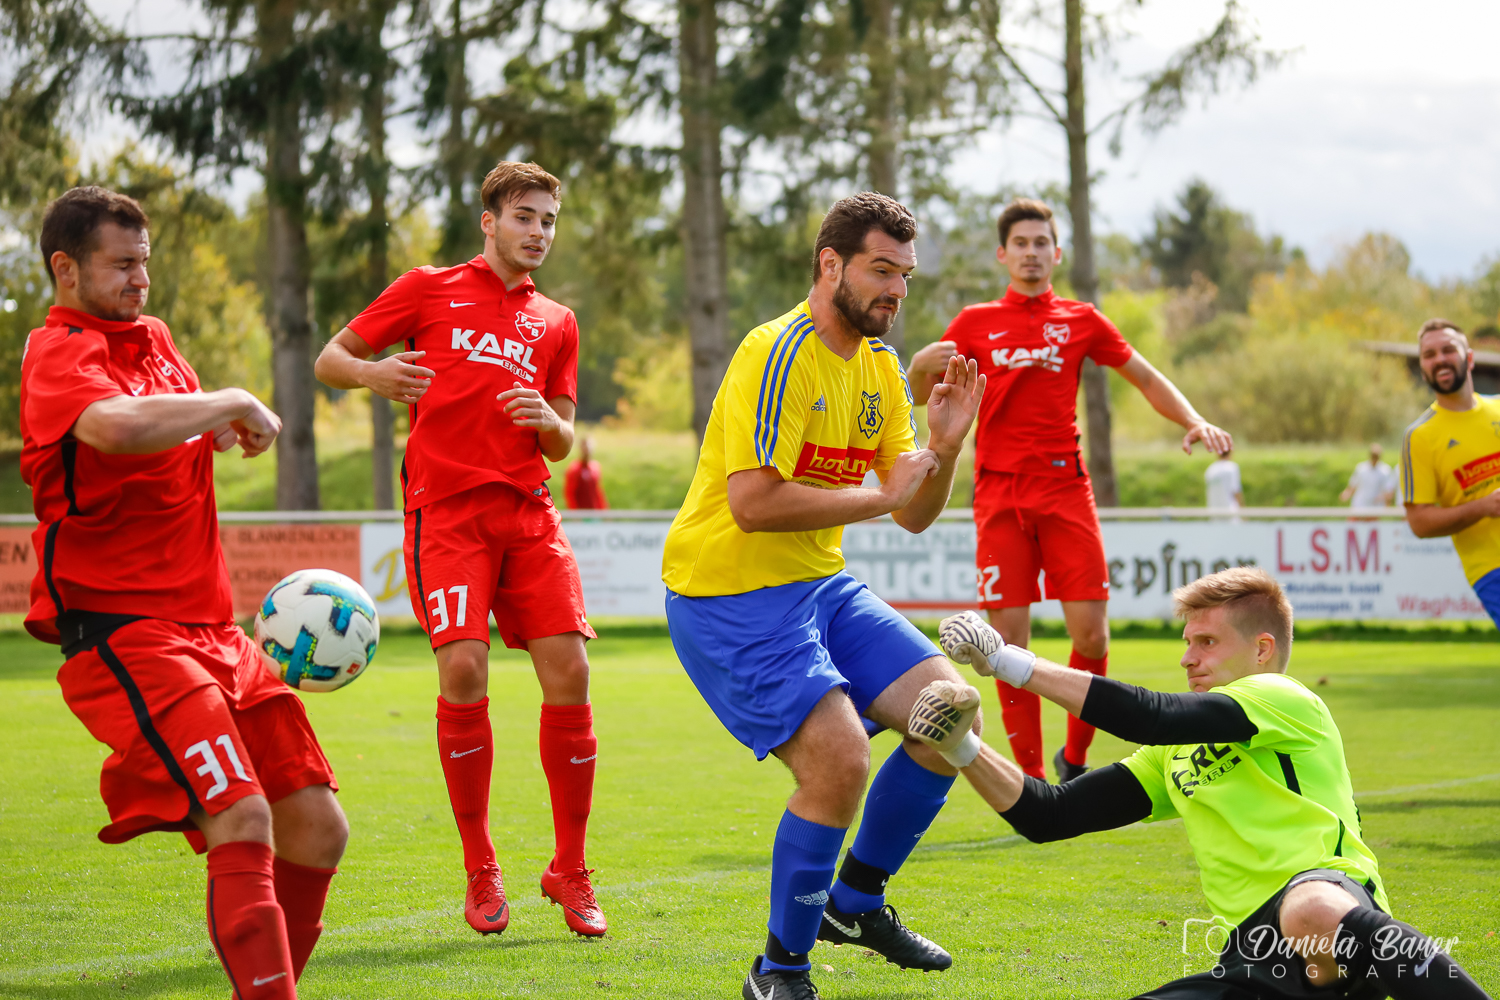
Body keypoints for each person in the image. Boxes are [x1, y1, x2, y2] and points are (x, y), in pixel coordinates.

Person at [21, 186, 348, 999]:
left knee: (317, 827)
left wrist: (214, 424)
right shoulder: (56, 349)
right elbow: (114, 427)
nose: (140, 280)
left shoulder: (156, 340)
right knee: (242, 816)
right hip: (126, 633)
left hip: (216, 633)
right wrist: (235, 400)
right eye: (121, 265)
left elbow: (161, 418)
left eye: (146, 262)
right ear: (66, 269)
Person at [661, 192, 989, 1000]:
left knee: (949, 709)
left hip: (818, 586)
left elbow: (912, 513)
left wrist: (944, 451)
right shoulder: (776, 352)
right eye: (882, 271)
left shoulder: (880, 368)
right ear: (830, 265)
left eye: (906, 277)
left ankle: (856, 902)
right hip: (727, 593)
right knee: (840, 759)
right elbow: (753, 503)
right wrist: (883, 496)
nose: (896, 292)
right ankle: (779, 972)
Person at [916, 568, 1491, 1000]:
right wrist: (961, 746)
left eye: (1207, 643)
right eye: (1187, 642)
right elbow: (1050, 816)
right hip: (1253, 960)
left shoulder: (1287, 699)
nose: (1188, 659)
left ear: (1262, 649)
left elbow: (1154, 715)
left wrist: (1009, 661)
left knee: (1309, 908)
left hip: (1331, 919)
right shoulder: (1174, 758)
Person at [314, 161, 605, 937]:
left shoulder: (558, 321)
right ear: (490, 220)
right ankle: (482, 868)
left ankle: (570, 871)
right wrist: (375, 374)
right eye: (524, 217)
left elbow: (563, 442)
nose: (537, 232)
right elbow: (330, 359)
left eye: (548, 220)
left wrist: (547, 414)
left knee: (571, 670)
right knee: (464, 669)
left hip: (529, 516)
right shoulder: (426, 288)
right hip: (445, 516)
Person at [907, 198, 1233, 785]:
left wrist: (1191, 419)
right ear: (1002, 254)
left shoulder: (1082, 319)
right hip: (999, 495)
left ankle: (1075, 761)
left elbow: (1144, 375)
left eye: (1042, 243)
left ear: (1056, 253)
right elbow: (923, 395)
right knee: (1006, 642)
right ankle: (1030, 776)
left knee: (1092, 634)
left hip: (1065, 490)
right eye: (1021, 244)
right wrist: (915, 369)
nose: (1032, 253)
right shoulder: (974, 323)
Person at [1400, 320, 1500, 627]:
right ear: (1422, 367)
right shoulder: (1419, 436)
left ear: (1468, 358)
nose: (1439, 359)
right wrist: (1484, 506)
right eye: (1429, 354)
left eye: (1448, 349)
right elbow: (1419, 522)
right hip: (1492, 570)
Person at [1341, 444, 1396, 508]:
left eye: (1376, 456)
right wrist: (1346, 494)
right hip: (1359, 505)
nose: (1374, 458)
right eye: (1373, 455)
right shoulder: (1361, 468)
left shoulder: (1386, 470)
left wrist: (1383, 500)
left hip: (1375, 507)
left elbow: (1389, 491)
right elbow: (1353, 486)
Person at [565, 435, 609, 509]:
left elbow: (598, 491)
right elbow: (570, 493)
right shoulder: (574, 468)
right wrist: (574, 513)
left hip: (595, 512)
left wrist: (604, 509)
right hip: (581, 512)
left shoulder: (595, 467)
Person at [1204, 447, 1244, 514]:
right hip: (1230, 511)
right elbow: (1236, 490)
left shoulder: (1210, 469)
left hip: (1214, 512)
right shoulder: (1232, 467)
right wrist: (1243, 512)